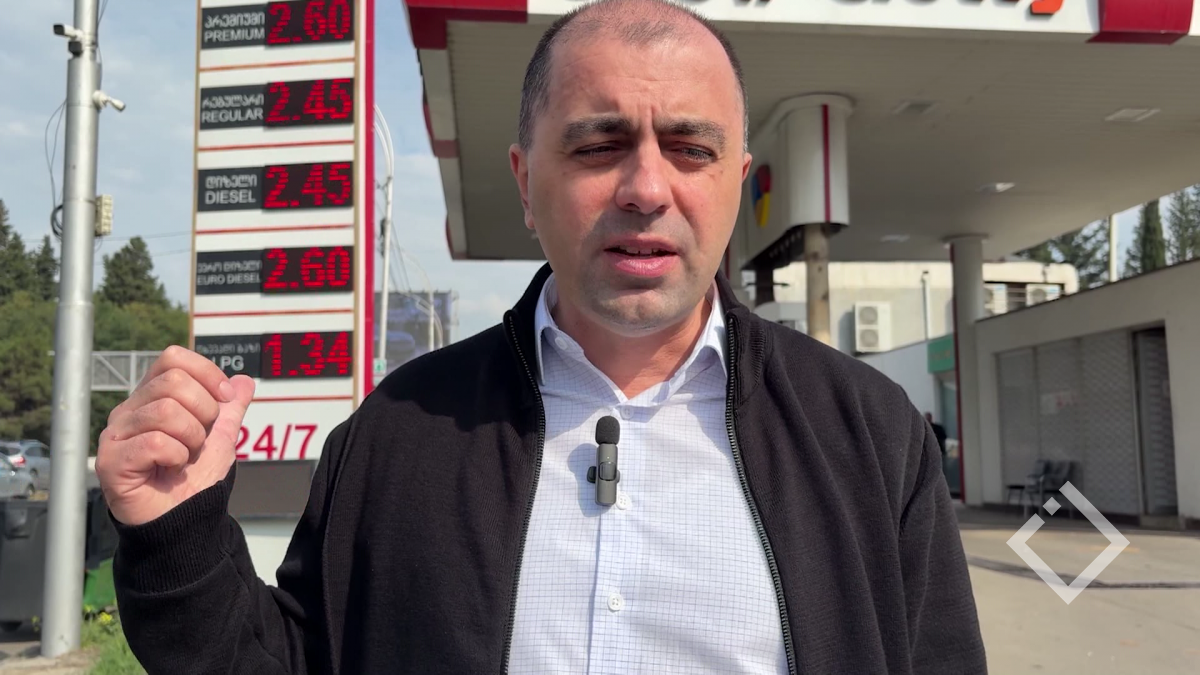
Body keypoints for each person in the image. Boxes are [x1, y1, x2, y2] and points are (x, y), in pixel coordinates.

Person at [98, 0, 986, 672]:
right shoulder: (398, 432)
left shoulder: (869, 435)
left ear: (737, 180)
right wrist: (177, 535)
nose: (647, 188)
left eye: (690, 148)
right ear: (525, 183)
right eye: (598, 145)